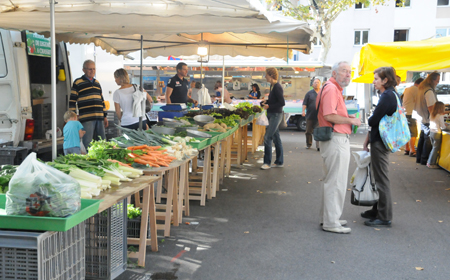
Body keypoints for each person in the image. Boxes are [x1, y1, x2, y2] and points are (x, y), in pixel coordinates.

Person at [316, 61, 361, 234]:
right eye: (344, 71)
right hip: (336, 138)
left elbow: (331, 113)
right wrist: (350, 120)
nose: (348, 74)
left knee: (332, 181)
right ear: (334, 73)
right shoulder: (332, 89)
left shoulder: (331, 88)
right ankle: (331, 221)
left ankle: (328, 217)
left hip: (334, 138)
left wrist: (345, 116)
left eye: (349, 71)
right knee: (336, 182)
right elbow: (329, 114)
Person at [362, 67, 398, 228]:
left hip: (381, 142)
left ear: (385, 80)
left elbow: (372, 120)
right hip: (381, 140)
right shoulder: (390, 94)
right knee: (378, 177)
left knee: (382, 179)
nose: (373, 81)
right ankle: (377, 209)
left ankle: (384, 216)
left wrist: (371, 118)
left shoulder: (388, 96)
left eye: (376, 79)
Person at [69, 59, 108, 149]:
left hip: (99, 117)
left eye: (94, 69)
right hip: (87, 118)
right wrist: (73, 118)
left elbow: (102, 100)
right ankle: (89, 159)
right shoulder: (77, 82)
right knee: (87, 142)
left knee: (102, 141)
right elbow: (72, 101)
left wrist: (105, 116)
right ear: (84, 70)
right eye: (90, 69)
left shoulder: (97, 83)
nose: (92, 71)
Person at [260, 68, 285, 170]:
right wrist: (266, 102)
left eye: (266, 75)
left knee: (267, 137)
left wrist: (269, 106)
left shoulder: (277, 87)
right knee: (276, 138)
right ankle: (279, 161)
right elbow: (274, 100)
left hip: (275, 115)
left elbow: (282, 103)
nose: (265, 76)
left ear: (271, 75)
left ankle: (267, 163)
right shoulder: (273, 86)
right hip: (273, 114)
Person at [415, 72, 440, 165]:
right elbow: (431, 108)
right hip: (427, 118)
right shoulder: (428, 91)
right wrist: (435, 119)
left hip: (422, 117)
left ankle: (419, 158)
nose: (437, 83)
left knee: (422, 138)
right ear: (431, 80)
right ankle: (424, 159)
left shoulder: (421, 88)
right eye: (437, 80)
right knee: (427, 140)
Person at [402, 78, 423, 157]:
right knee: (413, 132)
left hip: (404, 113)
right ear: (420, 84)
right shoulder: (416, 90)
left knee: (406, 132)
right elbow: (420, 101)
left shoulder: (408, 89)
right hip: (411, 113)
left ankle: (406, 149)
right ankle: (412, 150)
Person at [427, 102, 449, 168]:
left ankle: (430, 162)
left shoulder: (432, 114)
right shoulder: (440, 116)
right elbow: (442, 127)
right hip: (437, 133)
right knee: (435, 149)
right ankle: (431, 163)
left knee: (433, 148)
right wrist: (446, 126)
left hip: (431, 132)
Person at [302, 78, 321, 151]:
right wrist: (303, 111)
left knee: (318, 131)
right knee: (308, 131)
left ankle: (318, 146)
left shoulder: (322, 93)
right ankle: (309, 144)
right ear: (312, 84)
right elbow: (304, 103)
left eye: (318, 83)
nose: (316, 84)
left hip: (319, 116)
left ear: (320, 84)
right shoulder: (309, 93)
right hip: (310, 115)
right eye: (315, 82)